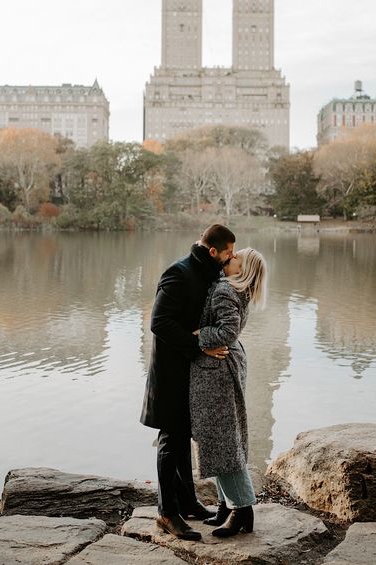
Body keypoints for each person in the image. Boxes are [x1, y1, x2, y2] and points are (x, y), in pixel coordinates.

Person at [140, 224, 236, 541]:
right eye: (228, 253)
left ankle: (188, 502)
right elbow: (158, 322)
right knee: (171, 439)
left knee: (183, 437)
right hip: (169, 372)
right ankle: (167, 514)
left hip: (190, 370)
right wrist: (199, 346)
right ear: (212, 252)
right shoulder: (178, 273)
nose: (231, 258)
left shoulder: (210, 274)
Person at [189, 247, 267, 538]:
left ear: (242, 268)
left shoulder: (224, 290)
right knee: (221, 436)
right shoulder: (235, 288)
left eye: (236, 258)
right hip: (225, 365)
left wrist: (198, 336)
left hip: (218, 369)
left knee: (223, 439)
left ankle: (241, 509)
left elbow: (228, 332)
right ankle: (225, 505)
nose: (229, 259)